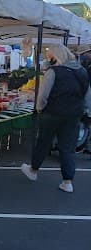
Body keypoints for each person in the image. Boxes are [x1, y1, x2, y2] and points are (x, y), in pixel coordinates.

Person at [21, 44, 91, 193]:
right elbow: (87, 96)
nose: (48, 58)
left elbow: (43, 95)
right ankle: (67, 181)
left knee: (44, 142)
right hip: (73, 115)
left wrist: (39, 108)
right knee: (68, 147)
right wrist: (83, 110)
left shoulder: (53, 72)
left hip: (52, 113)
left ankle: (33, 170)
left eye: (50, 55)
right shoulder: (82, 72)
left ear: (56, 56)